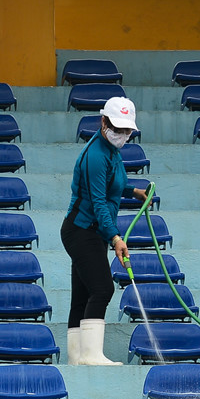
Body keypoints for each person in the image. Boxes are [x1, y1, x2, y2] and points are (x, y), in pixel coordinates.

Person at [61, 97, 148, 365]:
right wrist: (116, 237)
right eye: (117, 128)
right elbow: (98, 201)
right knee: (102, 289)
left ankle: (77, 357)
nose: (122, 135)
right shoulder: (96, 155)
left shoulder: (111, 152)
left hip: (93, 231)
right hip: (82, 229)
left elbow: (112, 183)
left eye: (126, 131)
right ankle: (91, 355)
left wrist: (132, 191)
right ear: (103, 122)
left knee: (83, 294)